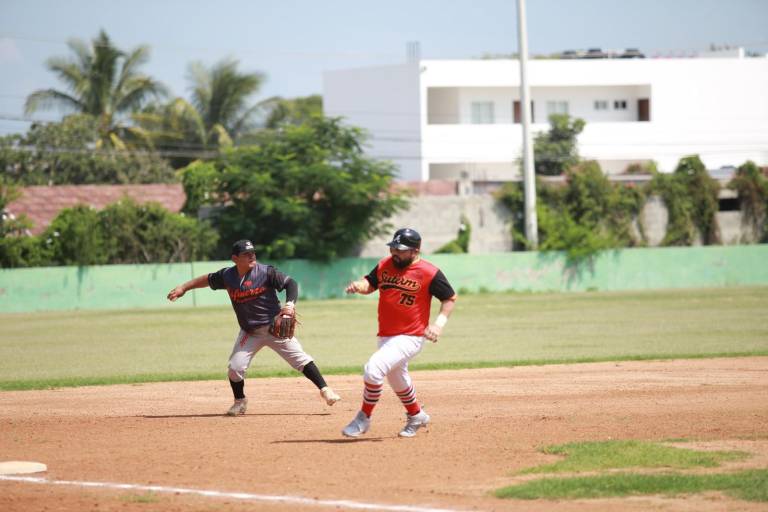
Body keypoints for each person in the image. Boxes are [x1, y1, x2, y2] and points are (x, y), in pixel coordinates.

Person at [166, 239, 341, 415]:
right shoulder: (227, 276)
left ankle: (326, 390)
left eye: (253, 253)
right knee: (235, 368)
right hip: (250, 332)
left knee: (301, 359)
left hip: (275, 329)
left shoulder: (266, 272)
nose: (252, 256)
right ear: (235, 258)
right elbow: (207, 279)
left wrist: (289, 305)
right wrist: (183, 288)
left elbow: (291, 284)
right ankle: (240, 401)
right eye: (246, 254)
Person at [342, 228, 457, 438]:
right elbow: (371, 283)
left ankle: (363, 418)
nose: (395, 252)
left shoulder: (429, 272)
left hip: (411, 336)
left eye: (401, 249)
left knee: (373, 369)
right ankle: (417, 415)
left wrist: (438, 325)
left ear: (415, 251)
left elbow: (449, 298)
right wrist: (360, 285)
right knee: (396, 377)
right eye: (393, 247)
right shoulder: (386, 264)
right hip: (386, 334)